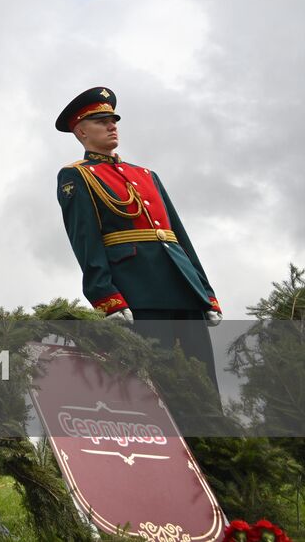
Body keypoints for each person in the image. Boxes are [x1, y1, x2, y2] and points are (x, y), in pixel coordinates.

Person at [55, 86, 222, 385]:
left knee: (203, 382)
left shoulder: (146, 175)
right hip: (138, 290)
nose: (112, 126)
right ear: (81, 131)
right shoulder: (77, 175)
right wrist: (106, 297)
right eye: (102, 122)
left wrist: (207, 294)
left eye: (114, 121)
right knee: (158, 384)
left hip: (185, 288)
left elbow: (179, 237)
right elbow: (85, 240)